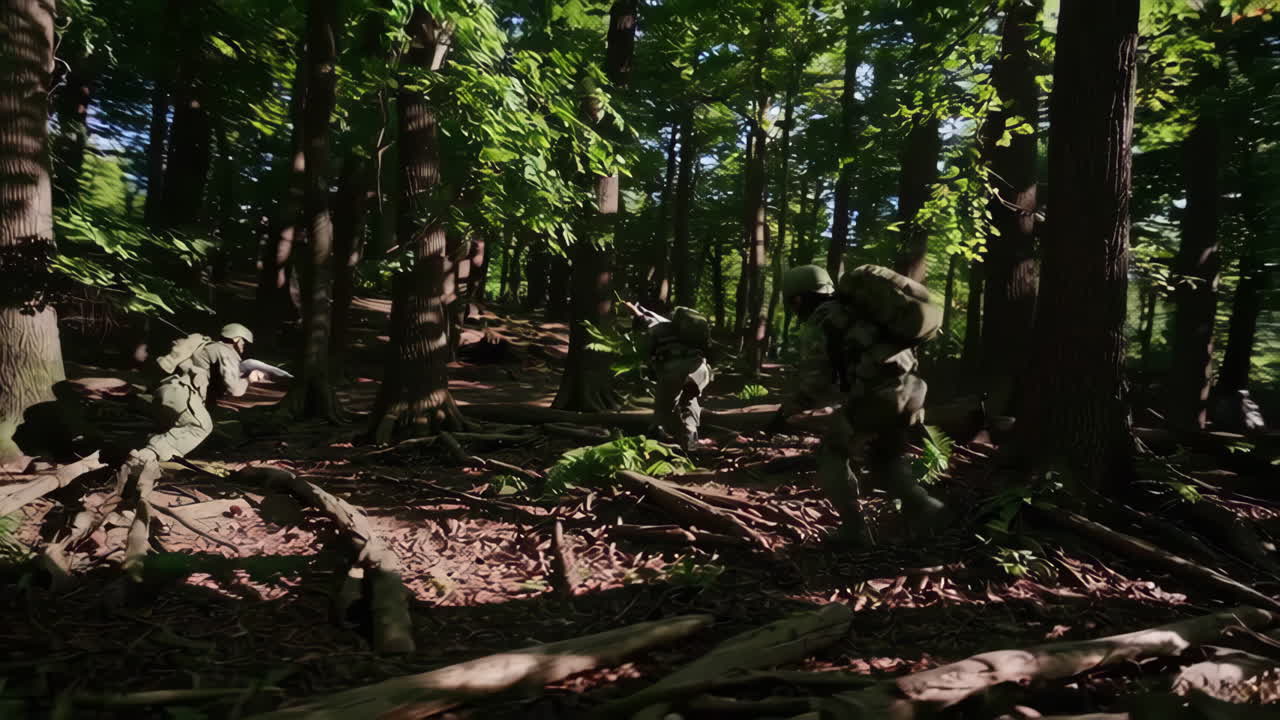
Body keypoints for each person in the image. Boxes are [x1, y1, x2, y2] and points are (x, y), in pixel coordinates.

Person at [771, 264, 950, 546]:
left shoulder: (823, 320)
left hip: (879, 398)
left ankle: (854, 531)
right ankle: (927, 510)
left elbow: (817, 383)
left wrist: (788, 411)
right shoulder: (863, 313)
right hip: (912, 391)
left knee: (831, 453)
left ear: (798, 299)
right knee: (884, 460)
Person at [128, 323, 265, 466]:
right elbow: (235, 389)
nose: (244, 346)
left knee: (175, 429)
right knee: (200, 426)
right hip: (182, 393)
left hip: (167, 392)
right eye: (243, 341)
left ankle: (146, 457)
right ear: (236, 339)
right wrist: (249, 379)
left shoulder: (204, 347)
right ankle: (145, 456)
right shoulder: (225, 351)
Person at [627, 302, 713, 452]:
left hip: (671, 368)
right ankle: (689, 442)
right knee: (689, 403)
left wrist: (632, 309)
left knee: (663, 406)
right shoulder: (696, 331)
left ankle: (655, 440)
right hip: (697, 369)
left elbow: (645, 345)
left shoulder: (657, 327)